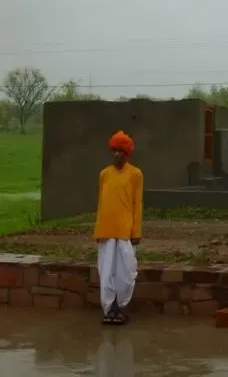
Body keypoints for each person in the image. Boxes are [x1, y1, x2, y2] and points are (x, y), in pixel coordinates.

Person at [93, 130, 143, 325]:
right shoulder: (104, 174)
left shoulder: (135, 174)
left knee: (126, 271)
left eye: (121, 151)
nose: (117, 155)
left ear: (127, 153)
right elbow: (101, 203)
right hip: (106, 229)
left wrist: (136, 232)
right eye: (114, 151)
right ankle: (109, 308)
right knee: (106, 271)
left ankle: (121, 305)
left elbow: (137, 204)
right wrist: (98, 229)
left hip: (125, 231)